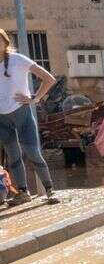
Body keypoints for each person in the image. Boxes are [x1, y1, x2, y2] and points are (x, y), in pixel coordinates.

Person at [0, 28, 59, 206]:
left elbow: (48, 78)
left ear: (5, 42)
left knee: (32, 152)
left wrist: (35, 98)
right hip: (2, 119)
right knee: (13, 156)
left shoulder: (18, 60)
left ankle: (50, 191)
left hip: (22, 113)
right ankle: (23, 193)